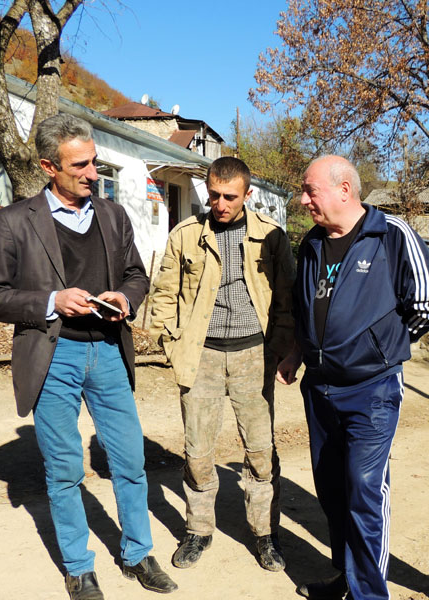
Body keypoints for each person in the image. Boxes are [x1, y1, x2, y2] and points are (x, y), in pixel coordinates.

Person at [0, 114, 176, 600]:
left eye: (95, 162)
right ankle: (79, 567)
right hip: (52, 356)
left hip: (107, 351)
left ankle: (137, 553)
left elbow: (136, 275)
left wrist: (127, 298)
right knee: (64, 470)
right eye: (80, 165)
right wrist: (50, 302)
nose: (92, 173)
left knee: (129, 459)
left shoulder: (112, 215)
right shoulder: (14, 221)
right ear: (49, 166)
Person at [276, 155, 429, 600]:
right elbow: (304, 307)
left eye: (311, 190)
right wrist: (298, 352)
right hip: (319, 387)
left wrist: (380, 347)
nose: (303, 199)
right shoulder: (312, 242)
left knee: (365, 492)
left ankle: (370, 594)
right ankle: (346, 580)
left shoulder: (390, 234)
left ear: (344, 190)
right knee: (332, 490)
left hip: (371, 389)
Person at [149, 156, 295, 572]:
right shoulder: (187, 235)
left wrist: (281, 350)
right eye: (213, 194)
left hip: (254, 355)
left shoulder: (272, 237)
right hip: (202, 356)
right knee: (197, 452)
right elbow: (164, 293)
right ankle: (198, 529)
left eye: (229, 196)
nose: (220, 203)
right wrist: (170, 343)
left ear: (248, 194)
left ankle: (265, 534)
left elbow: (287, 300)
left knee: (261, 451)